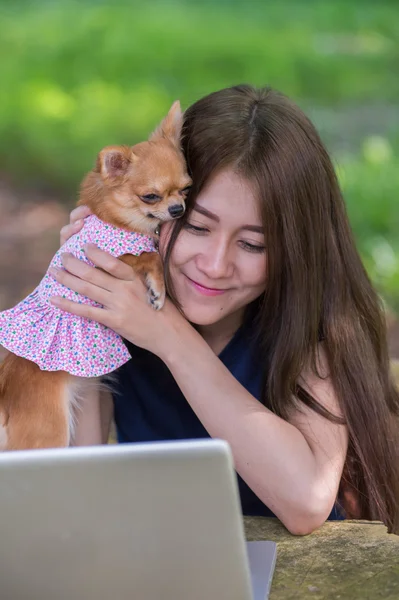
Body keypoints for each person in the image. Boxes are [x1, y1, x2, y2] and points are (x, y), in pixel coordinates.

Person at [50, 85, 399, 535]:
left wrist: (172, 338)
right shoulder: (126, 304)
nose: (215, 266)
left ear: (296, 248)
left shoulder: (315, 324)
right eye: (195, 225)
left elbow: (306, 501)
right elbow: (80, 480)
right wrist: (81, 304)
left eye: (253, 243)